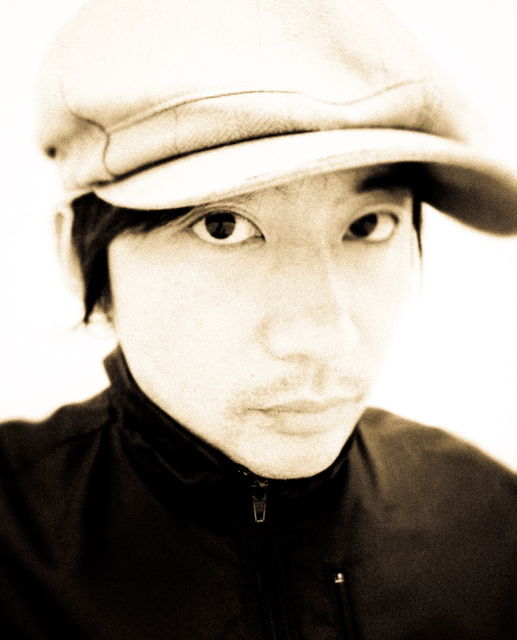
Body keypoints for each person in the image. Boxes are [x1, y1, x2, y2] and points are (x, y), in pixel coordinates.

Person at [1, 0, 516, 638]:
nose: (327, 336)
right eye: (223, 226)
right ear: (80, 263)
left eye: (367, 225)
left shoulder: (491, 525)